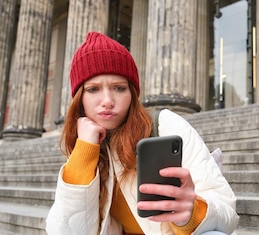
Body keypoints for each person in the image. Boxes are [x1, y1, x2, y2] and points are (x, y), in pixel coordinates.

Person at [45, 32, 239, 235]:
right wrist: (84, 150)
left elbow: (226, 213)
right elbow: (66, 231)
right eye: (93, 89)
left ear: (132, 93)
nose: (108, 100)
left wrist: (192, 213)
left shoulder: (164, 124)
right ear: (79, 98)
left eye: (119, 88)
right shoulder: (86, 144)